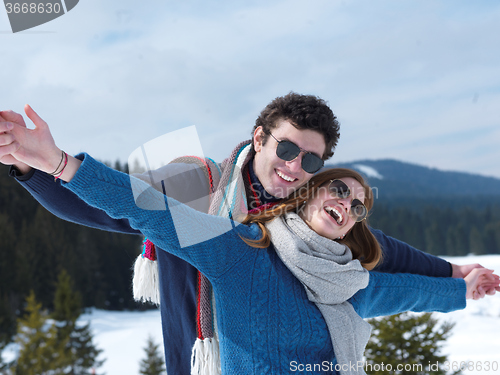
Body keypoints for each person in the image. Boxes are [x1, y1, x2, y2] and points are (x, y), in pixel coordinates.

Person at [0, 96, 495, 374]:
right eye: (286, 148)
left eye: (312, 160)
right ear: (260, 136)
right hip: (199, 355)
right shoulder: (197, 186)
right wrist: (39, 165)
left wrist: (454, 273)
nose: (294, 167)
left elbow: (379, 261)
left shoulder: (310, 213)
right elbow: (129, 206)